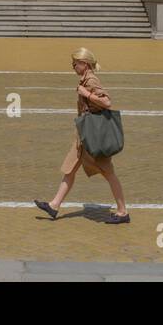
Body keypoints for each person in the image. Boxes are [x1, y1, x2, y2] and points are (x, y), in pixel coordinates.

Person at [35, 48, 129, 224]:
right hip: (84, 135)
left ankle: (123, 212)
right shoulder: (84, 79)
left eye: (75, 64)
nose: (73, 67)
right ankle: (54, 205)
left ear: (84, 64)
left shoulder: (91, 80)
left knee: (109, 173)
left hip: (93, 136)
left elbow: (107, 102)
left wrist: (87, 94)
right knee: (70, 169)